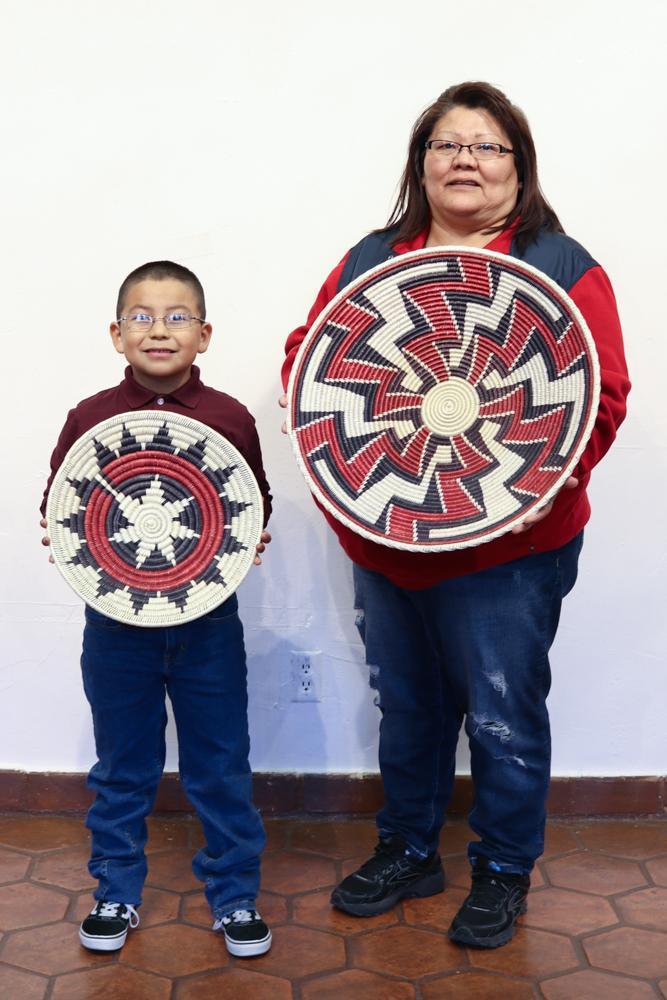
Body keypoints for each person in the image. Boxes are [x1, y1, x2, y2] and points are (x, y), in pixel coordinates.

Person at [281, 82, 630, 949]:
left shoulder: (560, 265)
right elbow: (311, 354)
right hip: (389, 538)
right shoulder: (373, 257)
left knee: (503, 714)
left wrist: (541, 483)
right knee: (408, 708)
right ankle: (408, 849)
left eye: (486, 145)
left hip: (507, 550)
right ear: (420, 163)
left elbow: (601, 395)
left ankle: (503, 871)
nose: (465, 158)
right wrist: (354, 468)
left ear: (519, 166)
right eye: (446, 144)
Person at [40, 260, 273, 957]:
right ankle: (115, 889)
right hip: (116, 627)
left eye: (177, 317)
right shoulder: (90, 419)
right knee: (122, 766)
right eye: (141, 317)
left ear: (204, 335)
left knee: (221, 764)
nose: (159, 330)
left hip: (208, 626)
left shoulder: (230, 418)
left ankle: (234, 898)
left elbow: (248, 504)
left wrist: (248, 540)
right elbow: (63, 506)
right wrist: (68, 538)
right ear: (117, 334)